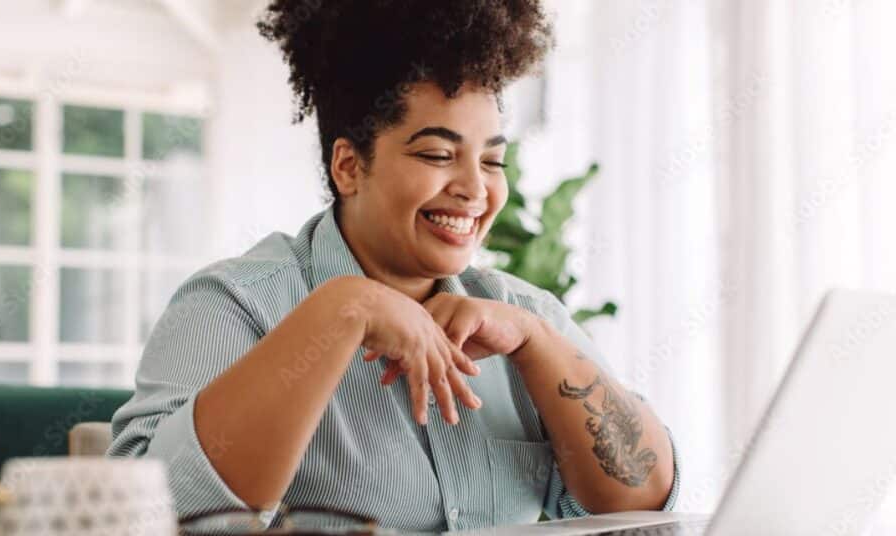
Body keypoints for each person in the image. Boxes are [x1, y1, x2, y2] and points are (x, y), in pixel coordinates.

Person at [108, 0, 678, 531]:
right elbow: (154, 513)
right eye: (436, 155)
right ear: (349, 166)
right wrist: (343, 309)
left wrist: (535, 342)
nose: (475, 189)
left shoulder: (524, 315)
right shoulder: (234, 305)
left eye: (492, 160)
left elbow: (646, 505)